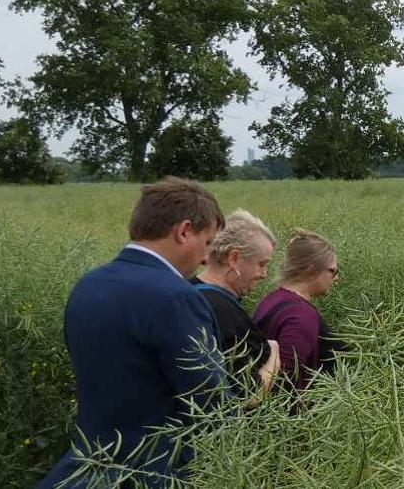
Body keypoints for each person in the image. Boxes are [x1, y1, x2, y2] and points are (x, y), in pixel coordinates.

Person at [38, 177, 227, 488]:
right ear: (183, 231)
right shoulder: (177, 297)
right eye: (207, 242)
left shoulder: (89, 283)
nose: (206, 258)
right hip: (151, 470)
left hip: (87, 467)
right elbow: (211, 402)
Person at [189, 211, 280, 396]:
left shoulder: (187, 291)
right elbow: (251, 395)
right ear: (234, 258)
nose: (264, 274)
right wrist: (273, 353)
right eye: (261, 264)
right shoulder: (222, 310)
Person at [253, 229, 341, 394]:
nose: (336, 277)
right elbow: (286, 382)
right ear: (311, 270)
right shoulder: (301, 316)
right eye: (333, 270)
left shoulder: (272, 298)